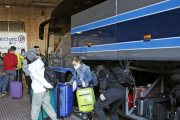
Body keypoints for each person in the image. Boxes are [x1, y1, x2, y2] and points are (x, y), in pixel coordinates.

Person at [26, 48, 57, 120]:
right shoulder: (40, 62)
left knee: (35, 108)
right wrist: (48, 86)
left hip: (38, 90)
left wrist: (48, 85)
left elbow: (39, 79)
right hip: (45, 89)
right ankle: (55, 119)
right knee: (47, 105)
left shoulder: (32, 67)